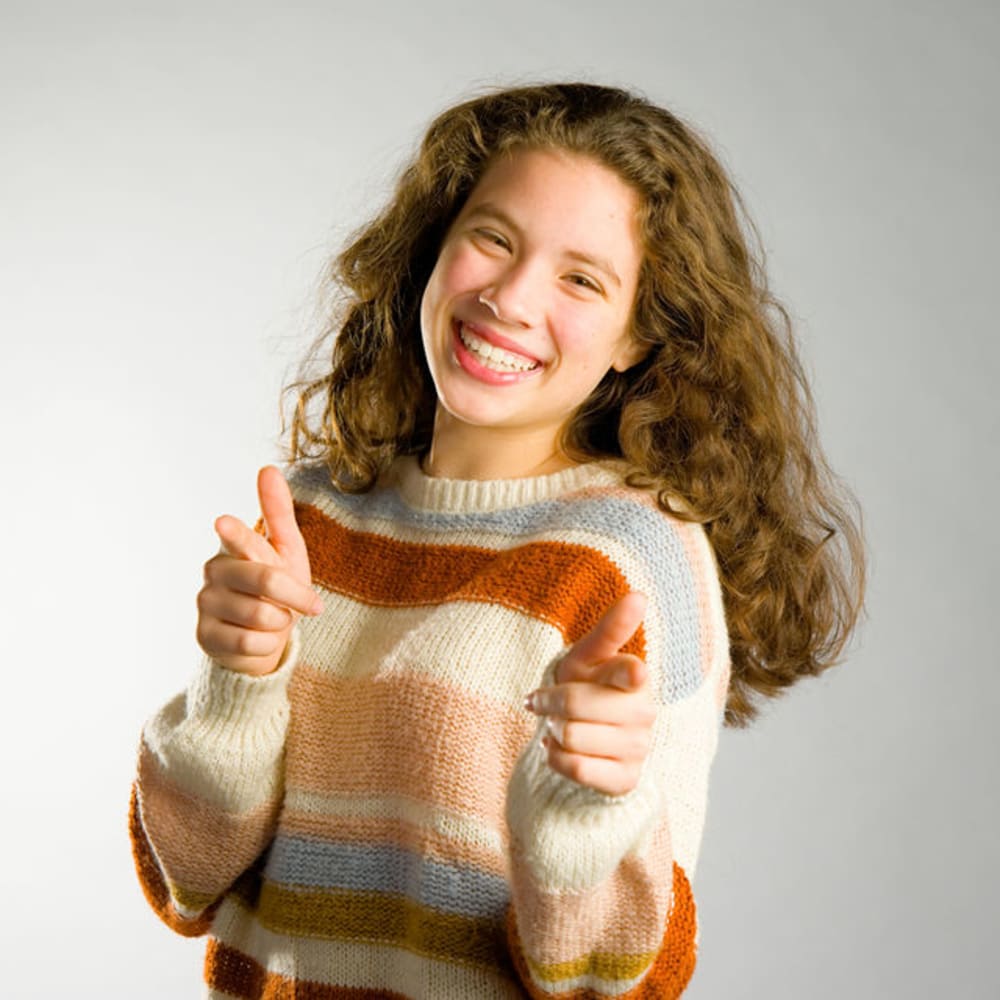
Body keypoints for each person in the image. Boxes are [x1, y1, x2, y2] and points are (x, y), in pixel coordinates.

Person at [129, 82, 865, 999]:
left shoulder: (635, 560)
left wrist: (583, 811)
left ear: (639, 335)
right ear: (434, 247)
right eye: (493, 238)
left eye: (581, 278)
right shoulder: (314, 519)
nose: (512, 298)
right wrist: (236, 685)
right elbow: (186, 880)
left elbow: (613, 985)